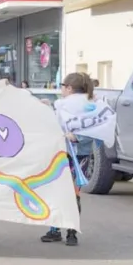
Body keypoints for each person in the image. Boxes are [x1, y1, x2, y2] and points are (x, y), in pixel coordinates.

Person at [42, 72, 94, 246]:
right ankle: (57, 230)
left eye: (62, 86)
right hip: (67, 153)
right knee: (62, 191)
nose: (61, 89)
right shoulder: (67, 106)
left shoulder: (88, 107)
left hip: (77, 154)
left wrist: (77, 137)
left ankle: (70, 231)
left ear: (69, 88)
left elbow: (94, 130)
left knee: (71, 194)